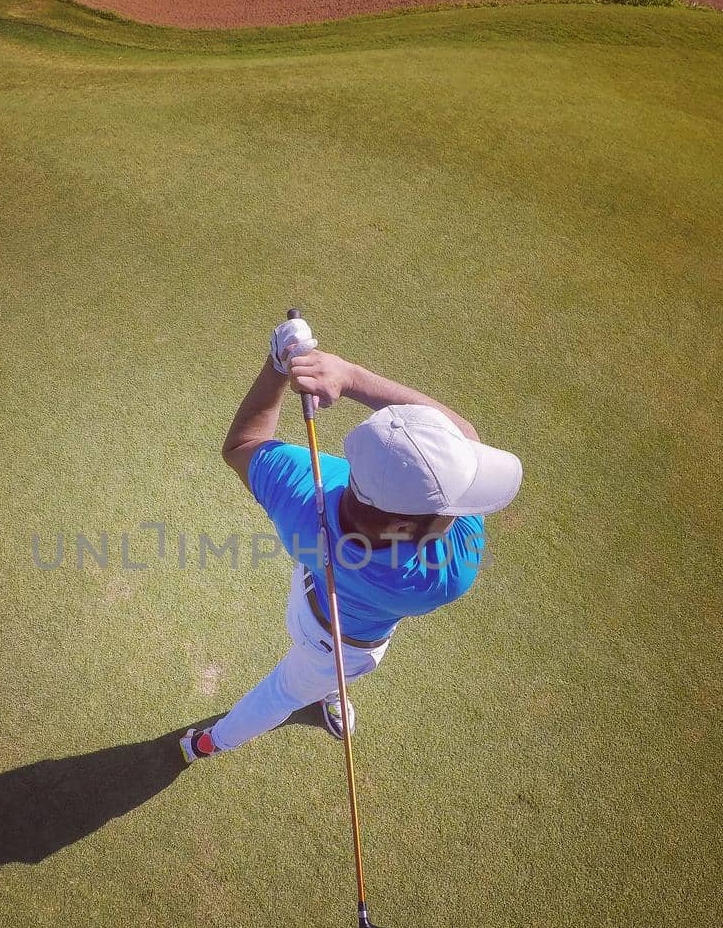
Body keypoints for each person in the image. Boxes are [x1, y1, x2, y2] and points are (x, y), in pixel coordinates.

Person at [180, 316, 523, 763]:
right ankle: (210, 742)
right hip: (341, 649)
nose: (460, 514)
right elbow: (467, 436)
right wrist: (352, 376)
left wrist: (278, 366)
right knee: (283, 692)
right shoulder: (449, 574)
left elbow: (243, 444)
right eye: (452, 509)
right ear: (403, 526)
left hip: (307, 602)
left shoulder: (306, 491)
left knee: (311, 679)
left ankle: (328, 692)